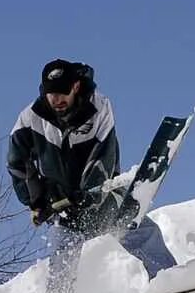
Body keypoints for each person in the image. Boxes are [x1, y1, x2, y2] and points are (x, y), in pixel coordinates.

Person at [7, 59, 121, 235]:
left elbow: (104, 154)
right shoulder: (30, 118)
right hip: (63, 209)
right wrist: (37, 202)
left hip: (102, 197)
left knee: (139, 232)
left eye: (63, 92)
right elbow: (17, 163)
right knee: (65, 259)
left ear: (75, 87)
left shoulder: (99, 107)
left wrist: (91, 194)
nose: (57, 99)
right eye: (51, 94)